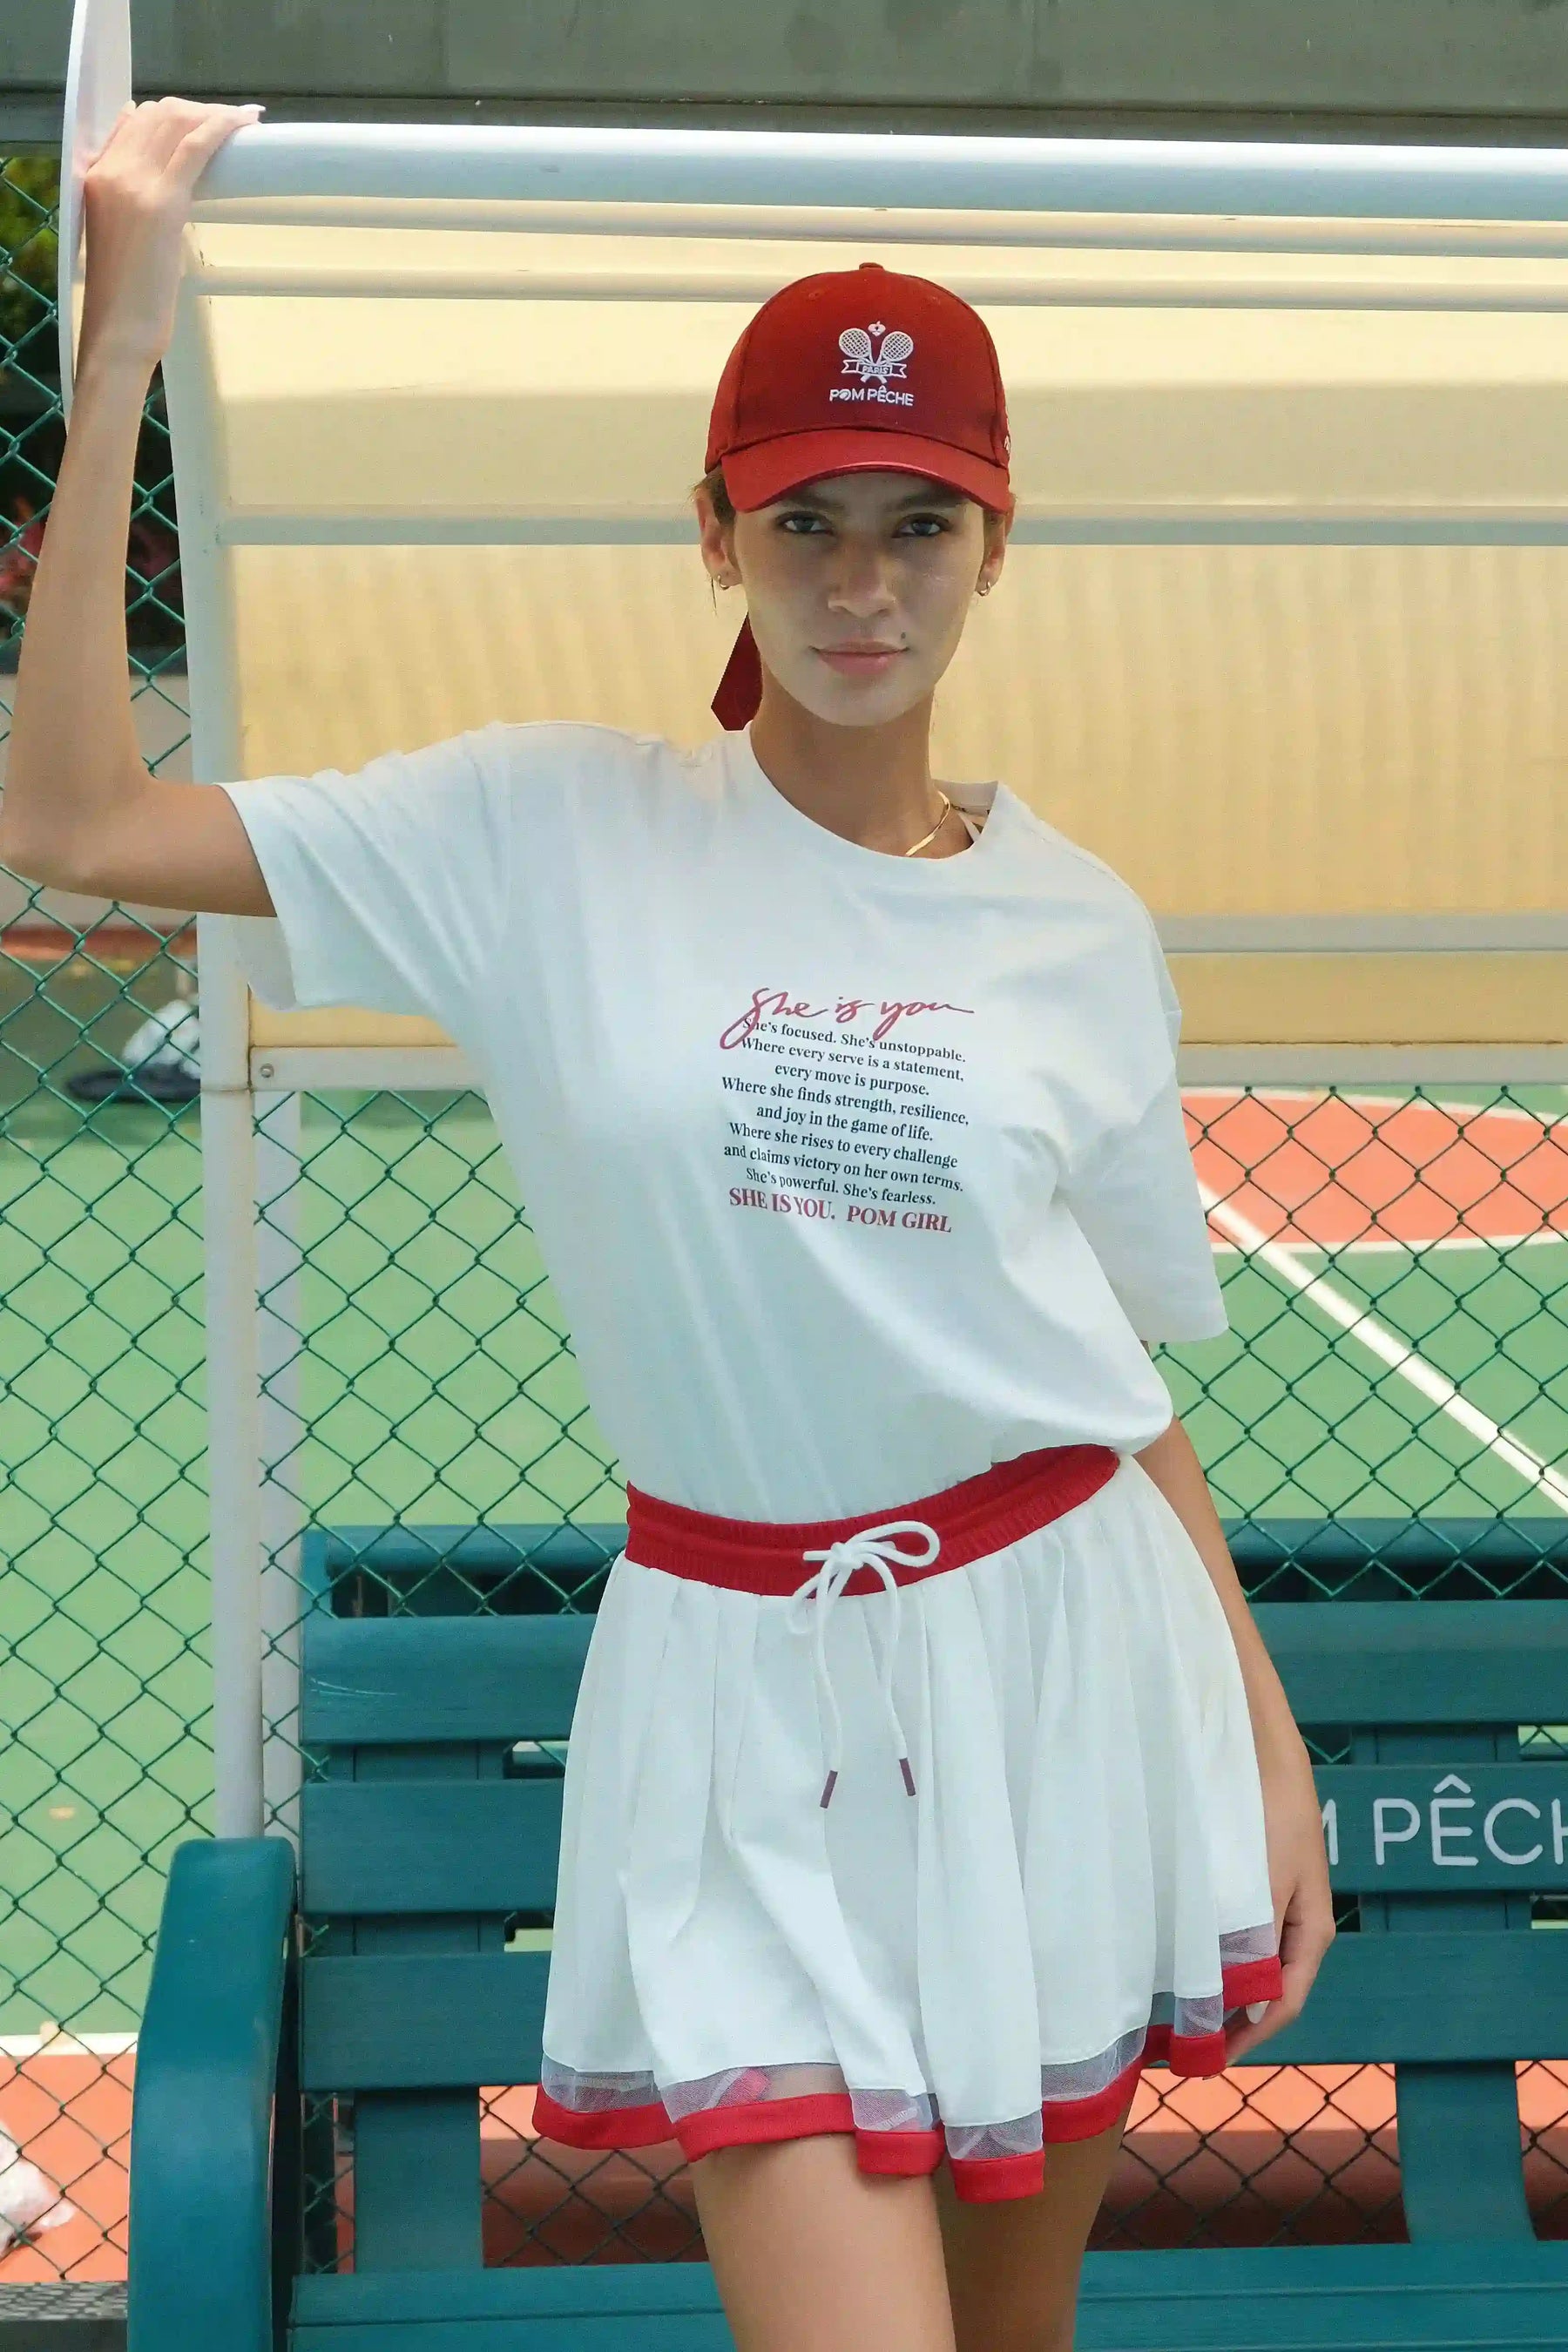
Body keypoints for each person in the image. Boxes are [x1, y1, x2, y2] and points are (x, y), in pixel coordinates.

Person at [3, 96, 1335, 2352]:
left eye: (921, 523)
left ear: (994, 550)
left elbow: (1108, 1369)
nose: (860, 580)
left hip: (1061, 1674)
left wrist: (1268, 1732)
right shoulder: (547, 834)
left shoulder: (1081, 925)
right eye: (804, 517)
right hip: (734, 1708)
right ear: (712, 532)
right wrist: (118, 330)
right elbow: (75, 816)